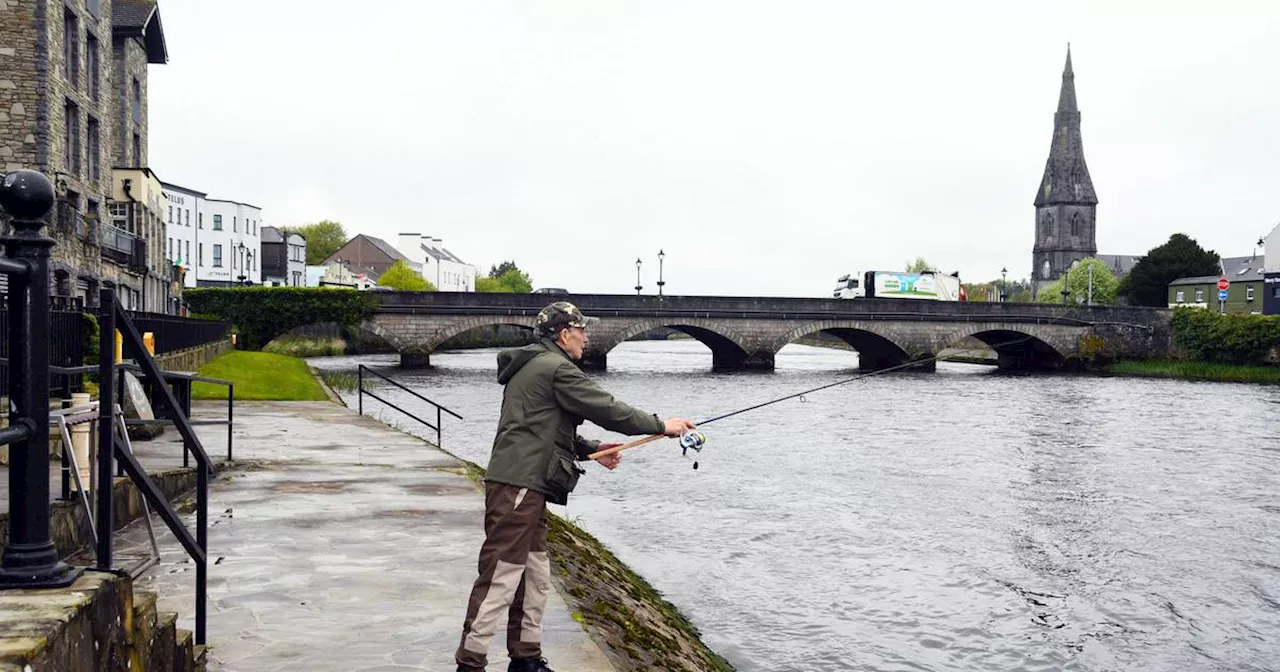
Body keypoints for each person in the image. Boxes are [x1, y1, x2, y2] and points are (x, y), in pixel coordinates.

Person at [456, 301, 696, 672]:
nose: (587, 336)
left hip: (526, 484)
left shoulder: (537, 365)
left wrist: (593, 449)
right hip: (519, 487)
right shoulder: (555, 368)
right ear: (564, 334)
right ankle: (469, 665)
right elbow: (609, 409)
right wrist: (661, 425)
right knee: (501, 575)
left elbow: (544, 428)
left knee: (534, 574)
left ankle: (526, 661)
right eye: (582, 330)